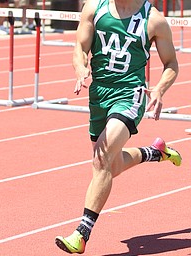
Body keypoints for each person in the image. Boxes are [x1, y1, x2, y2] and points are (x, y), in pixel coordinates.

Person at [55, 0, 181, 254]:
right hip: (99, 95)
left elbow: (171, 64)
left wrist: (158, 89)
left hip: (129, 95)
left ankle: (81, 233)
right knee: (112, 166)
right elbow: (80, 47)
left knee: (101, 160)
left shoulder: (153, 19)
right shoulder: (93, 8)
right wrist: (80, 67)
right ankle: (155, 152)